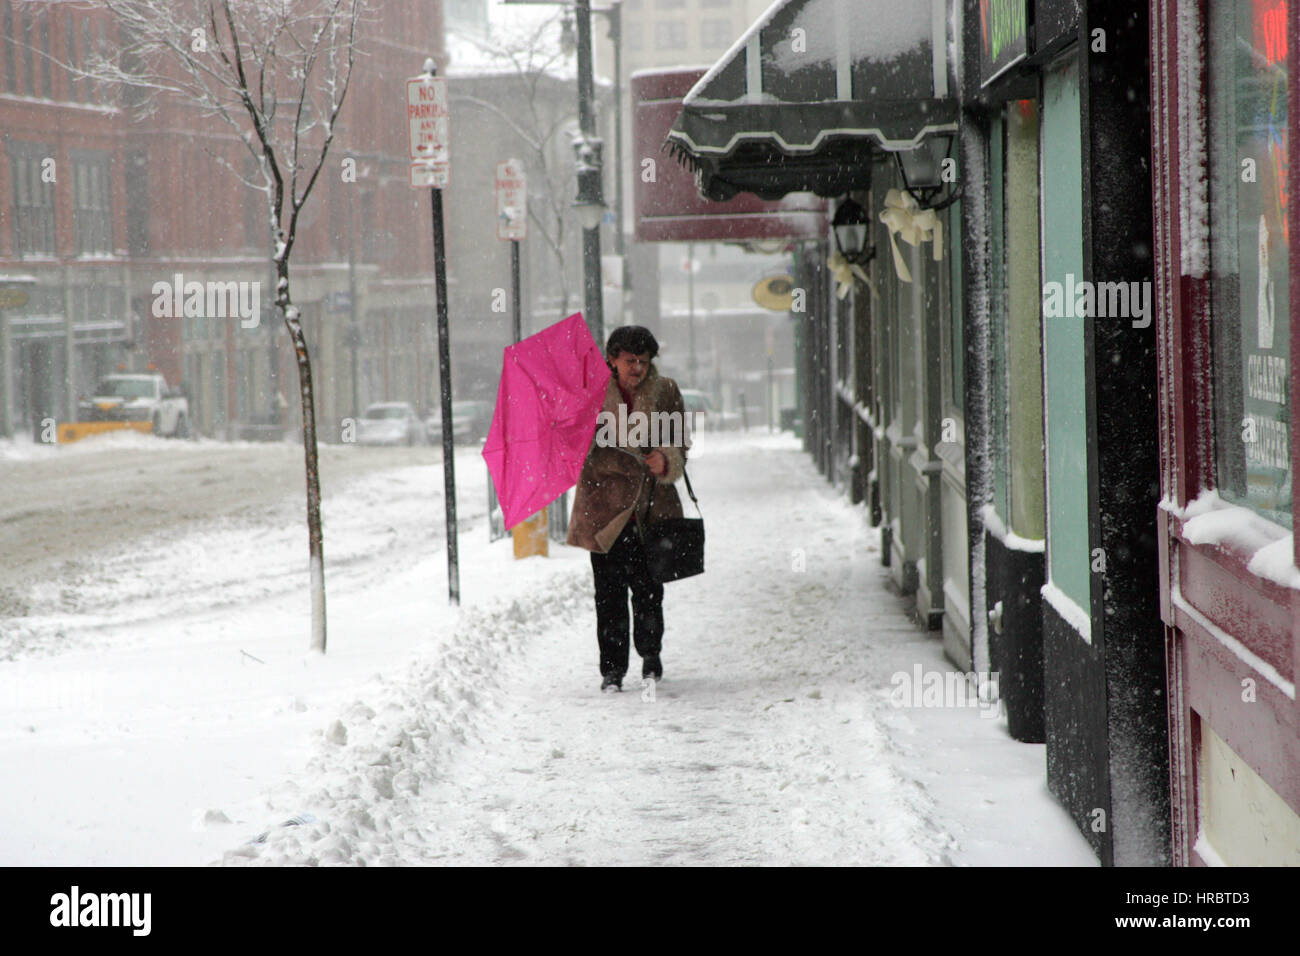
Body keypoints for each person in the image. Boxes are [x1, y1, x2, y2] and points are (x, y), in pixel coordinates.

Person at [567, 326, 688, 693]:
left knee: (650, 591)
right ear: (612, 359)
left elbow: (681, 441)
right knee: (609, 594)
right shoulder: (589, 393)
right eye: (629, 360)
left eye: (643, 361)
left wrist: (666, 460)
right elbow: (573, 442)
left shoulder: (665, 391)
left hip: (650, 509)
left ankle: (651, 658)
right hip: (604, 510)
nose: (637, 368)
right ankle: (612, 670)